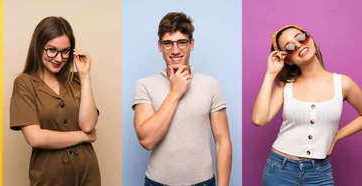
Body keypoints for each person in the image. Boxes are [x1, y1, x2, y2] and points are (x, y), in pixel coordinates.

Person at [252, 25, 362, 185]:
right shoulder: (285, 86)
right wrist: (270, 74)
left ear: (310, 38)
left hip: (319, 172)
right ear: (287, 59)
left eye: (301, 38)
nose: (298, 45)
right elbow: (259, 119)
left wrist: (336, 136)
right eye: (289, 47)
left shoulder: (343, 83)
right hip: (280, 169)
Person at [132, 12, 232, 186]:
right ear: (159, 46)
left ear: (191, 44)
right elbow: (147, 140)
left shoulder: (210, 85)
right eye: (168, 43)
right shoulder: (144, 85)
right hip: (157, 183)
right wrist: (175, 92)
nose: (175, 50)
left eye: (182, 42)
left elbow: (222, 142)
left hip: (203, 183)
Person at [9, 16, 101, 186]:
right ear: (38, 47)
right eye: (52, 50)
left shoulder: (76, 81)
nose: (59, 58)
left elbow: (88, 125)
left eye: (65, 51)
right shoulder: (24, 83)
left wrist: (85, 76)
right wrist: (82, 136)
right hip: (50, 178)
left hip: (88, 174)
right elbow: (35, 138)